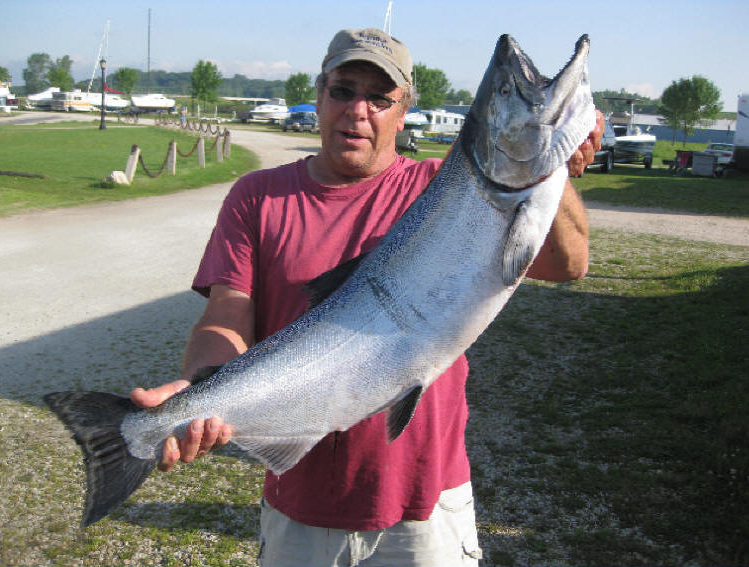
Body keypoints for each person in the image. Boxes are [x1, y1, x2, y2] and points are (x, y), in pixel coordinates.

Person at [132, 28, 603, 566]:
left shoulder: (443, 189)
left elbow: (567, 265)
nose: (358, 111)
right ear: (318, 96)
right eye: (343, 91)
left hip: (428, 501)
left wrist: (557, 165)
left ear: (403, 114)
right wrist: (200, 390)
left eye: (380, 98)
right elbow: (227, 311)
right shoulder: (257, 197)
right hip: (301, 508)